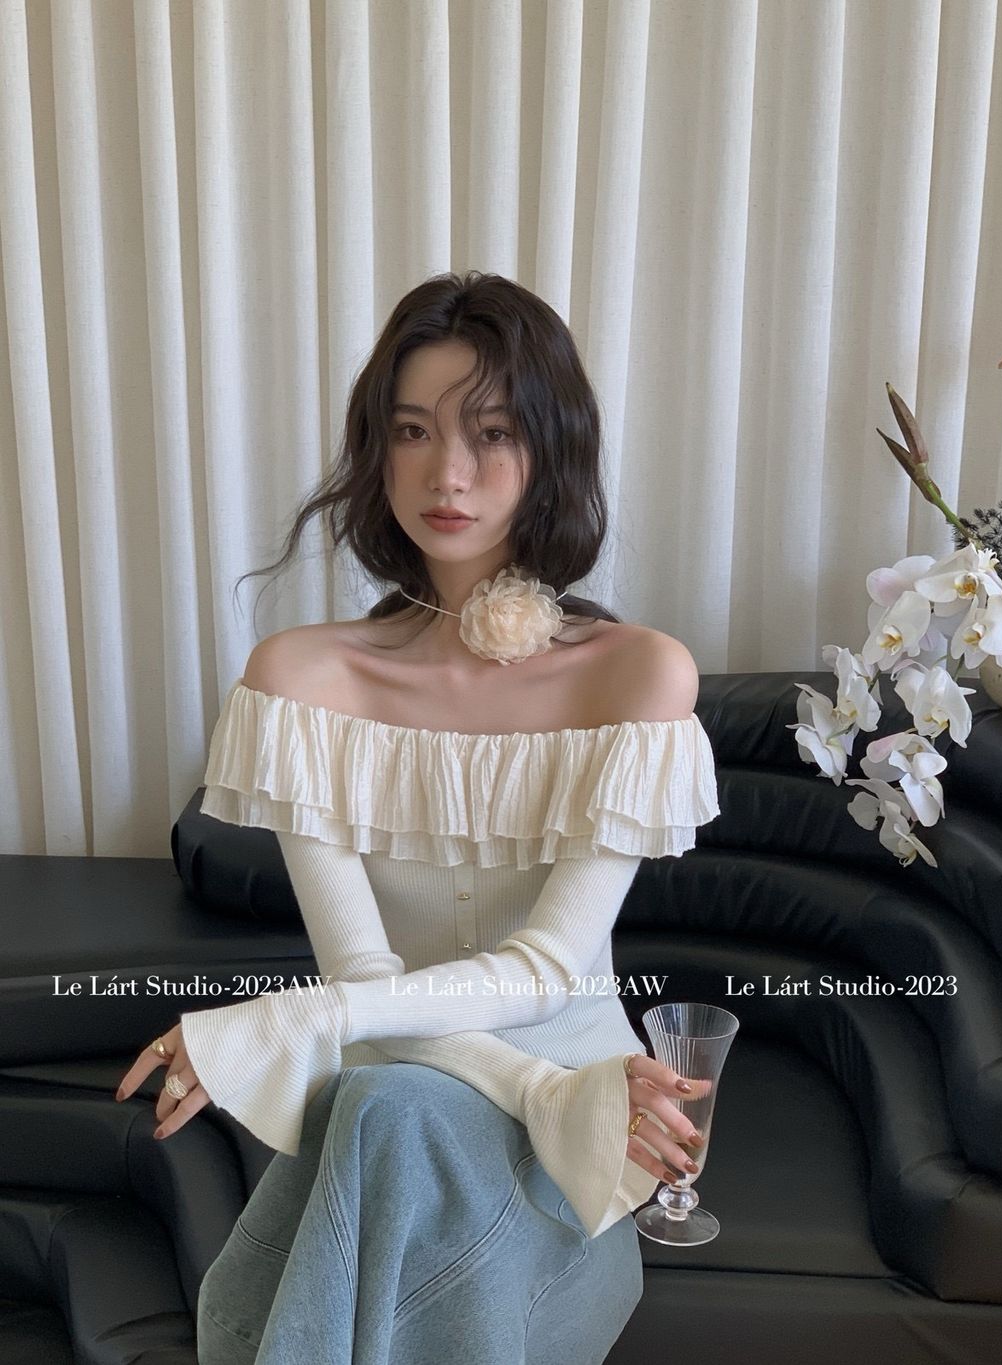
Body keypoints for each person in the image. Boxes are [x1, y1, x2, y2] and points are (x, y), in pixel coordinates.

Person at [115, 270, 721, 1363]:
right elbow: (363, 973)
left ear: (551, 449)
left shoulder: (637, 675)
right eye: (412, 431)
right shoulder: (303, 680)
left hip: (579, 1121)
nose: (447, 473)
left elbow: (546, 972)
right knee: (388, 1108)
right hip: (479, 1101)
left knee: (377, 1119)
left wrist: (284, 1020)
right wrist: (535, 1089)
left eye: (492, 432)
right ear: (375, 450)